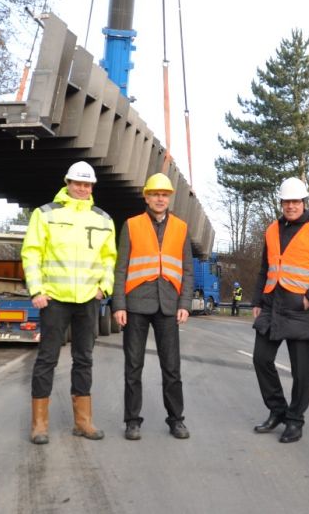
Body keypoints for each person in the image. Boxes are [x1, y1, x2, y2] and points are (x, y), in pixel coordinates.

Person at [22, 161, 117, 445]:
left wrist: (104, 288)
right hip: (54, 299)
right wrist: (36, 290)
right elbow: (32, 253)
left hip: (88, 299)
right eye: (78, 183)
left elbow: (109, 258)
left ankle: (83, 422)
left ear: (92, 187)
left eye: (87, 184)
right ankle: (39, 425)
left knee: (84, 359)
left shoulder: (104, 219)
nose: (82, 188)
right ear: (68, 183)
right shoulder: (45, 214)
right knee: (47, 359)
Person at [251, 177, 309, 443]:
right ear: (281, 203)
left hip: (300, 307)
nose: (291, 206)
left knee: (301, 371)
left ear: (304, 202)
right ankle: (278, 410)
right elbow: (265, 269)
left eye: (295, 201)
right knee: (261, 359)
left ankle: (295, 420)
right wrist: (257, 301)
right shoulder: (272, 230)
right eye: (286, 201)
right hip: (272, 305)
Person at [112, 173, 194, 440]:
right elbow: (121, 267)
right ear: (146, 197)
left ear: (169, 198)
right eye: (155, 194)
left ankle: (176, 420)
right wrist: (119, 304)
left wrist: (185, 303)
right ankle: (132, 421)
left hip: (168, 305)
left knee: (172, 368)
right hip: (136, 304)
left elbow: (187, 269)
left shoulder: (181, 228)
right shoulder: (131, 225)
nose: (160, 199)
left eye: (164, 195)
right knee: (133, 366)